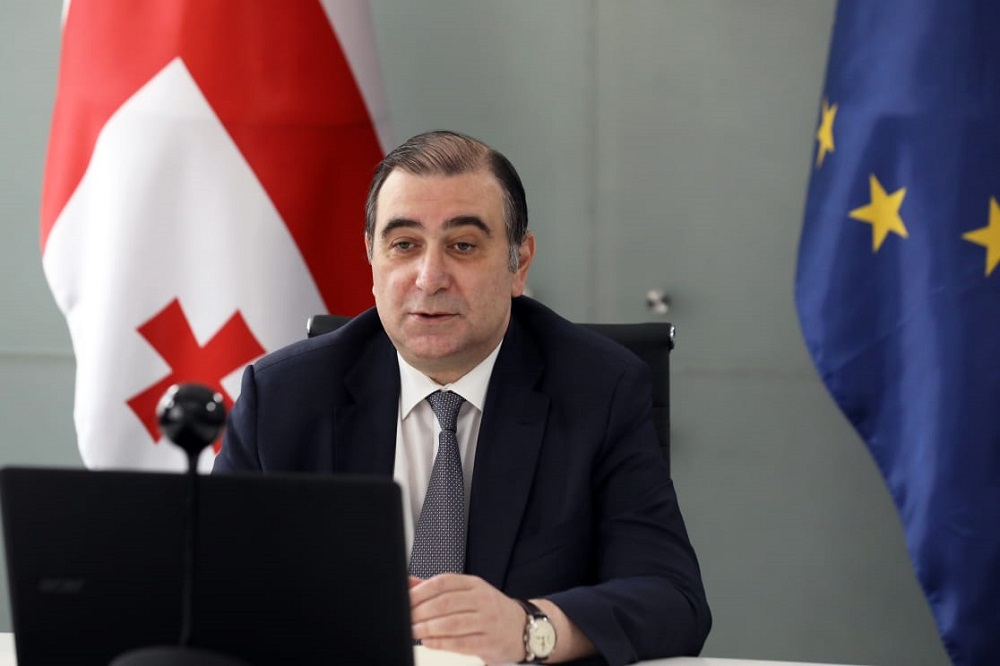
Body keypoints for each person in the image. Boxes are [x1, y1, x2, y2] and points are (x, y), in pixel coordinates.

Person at [214, 130, 711, 665]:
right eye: (404, 245)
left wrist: (531, 628)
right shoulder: (283, 397)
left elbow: (672, 600)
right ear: (371, 258)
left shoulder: (599, 389)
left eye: (463, 246)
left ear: (519, 264)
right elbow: (209, 591)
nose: (429, 278)